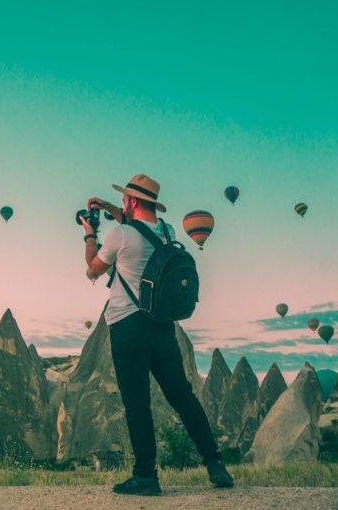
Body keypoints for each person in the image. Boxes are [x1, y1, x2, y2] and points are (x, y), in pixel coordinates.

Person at [80, 173, 234, 496]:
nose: (122, 203)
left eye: (124, 199)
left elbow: (93, 269)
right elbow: (139, 226)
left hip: (127, 327)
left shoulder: (119, 235)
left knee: (137, 403)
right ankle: (215, 463)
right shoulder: (167, 232)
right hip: (163, 327)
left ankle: (146, 476)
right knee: (183, 396)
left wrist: (90, 234)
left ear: (132, 201)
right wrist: (109, 206)